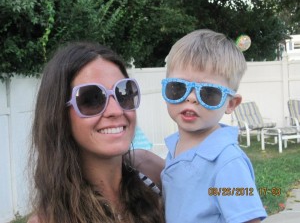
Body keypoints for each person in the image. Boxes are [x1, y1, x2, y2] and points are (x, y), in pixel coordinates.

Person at [27, 42, 165, 223]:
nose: (116, 110)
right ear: (59, 115)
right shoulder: (49, 220)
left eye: (124, 93)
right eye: (91, 99)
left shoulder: (152, 172)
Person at [160, 29, 267, 223]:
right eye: (178, 88)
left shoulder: (227, 161)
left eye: (209, 93)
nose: (191, 98)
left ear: (230, 104)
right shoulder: (175, 145)